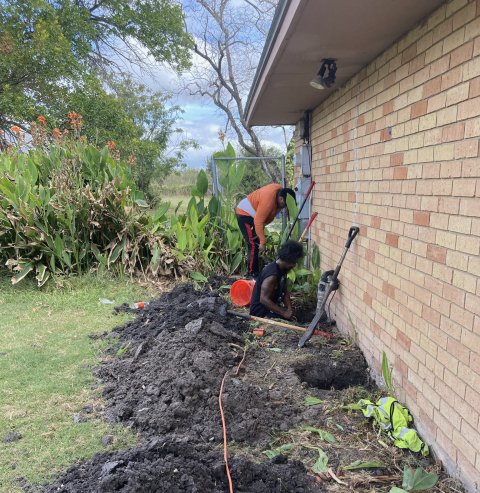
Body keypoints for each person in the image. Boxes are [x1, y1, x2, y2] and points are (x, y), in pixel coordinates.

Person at [236, 184, 296, 278]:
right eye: (285, 205)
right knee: (253, 244)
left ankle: (255, 272)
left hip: (255, 216)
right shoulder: (268, 202)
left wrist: (260, 236)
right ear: (281, 199)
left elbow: (263, 220)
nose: (284, 207)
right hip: (245, 214)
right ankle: (251, 274)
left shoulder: (279, 191)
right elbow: (258, 221)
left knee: (256, 242)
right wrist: (262, 242)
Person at [249, 240, 303, 321]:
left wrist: (289, 309)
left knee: (291, 318)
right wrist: (284, 313)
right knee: (287, 321)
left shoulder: (283, 269)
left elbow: (284, 291)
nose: (294, 265)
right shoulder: (272, 275)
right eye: (293, 262)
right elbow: (263, 299)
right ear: (286, 260)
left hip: (269, 306)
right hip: (260, 311)